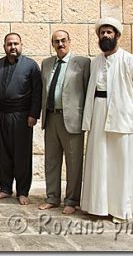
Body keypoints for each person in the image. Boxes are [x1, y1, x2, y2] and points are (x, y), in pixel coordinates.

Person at [81, 17, 133, 223]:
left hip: (122, 117)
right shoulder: (96, 62)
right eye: (102, 33)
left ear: (117, 36)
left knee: (120, 165)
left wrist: (131, 108)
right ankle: (97, 206)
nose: (105, 36)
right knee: (99, 161)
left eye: (109, 32)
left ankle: (120, 209)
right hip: (98, 114)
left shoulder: (129, 60)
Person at [38, 30, 90, 214]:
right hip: (51, 118)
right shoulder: (46, 63)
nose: (60, 44)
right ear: (52, 44)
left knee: (73, 162)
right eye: (56, 41)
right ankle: (52, 198)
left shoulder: (83, 63)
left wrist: (87, 119)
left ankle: (71, 200)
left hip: (72, 119)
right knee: (51, 161)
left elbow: (87, 93)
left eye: (63, 40)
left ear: (70, 41)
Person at [0, 33, 42, 205]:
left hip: (22, 116)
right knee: (3, 153)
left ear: (21, 45)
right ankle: (5, 188)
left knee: (22, 154)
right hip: (2, 114)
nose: (13, 47)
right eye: (9, 44)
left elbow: (37, 91)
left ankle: (22, 191)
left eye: (16, 43)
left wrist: (33, 114)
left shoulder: (30, 66)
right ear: (4, 46)